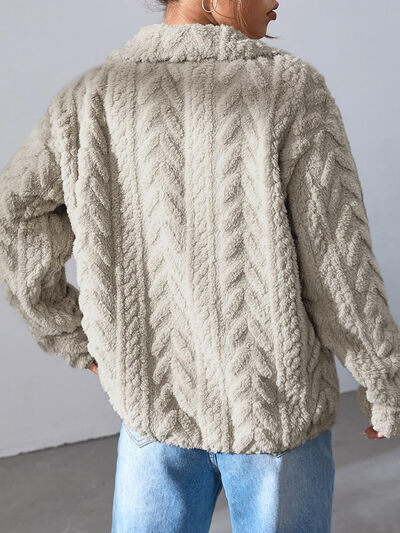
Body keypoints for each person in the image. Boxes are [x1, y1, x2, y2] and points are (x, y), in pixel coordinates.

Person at [0, 0, 398, 531]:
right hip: (273, 414)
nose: (276, 3)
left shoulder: (89, 98)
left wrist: (70, 332)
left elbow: (14, 214)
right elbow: (337, 264)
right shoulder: (289, 89)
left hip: (151, 408)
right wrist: (385, 379)